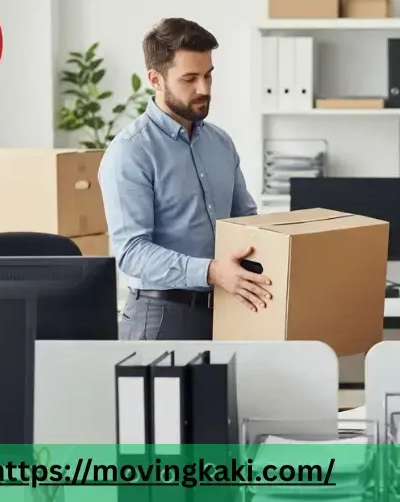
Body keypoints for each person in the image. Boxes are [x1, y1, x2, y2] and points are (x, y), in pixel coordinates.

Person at [99, 18, 272, 340]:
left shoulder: (220, 142)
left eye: (208, 76)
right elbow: (132, 252)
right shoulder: (130, 152)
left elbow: (245, 220)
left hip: (228, 310)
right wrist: (212, 271)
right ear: (156, 79)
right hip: (162, 317)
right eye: (189, 79)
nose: (204, 89)